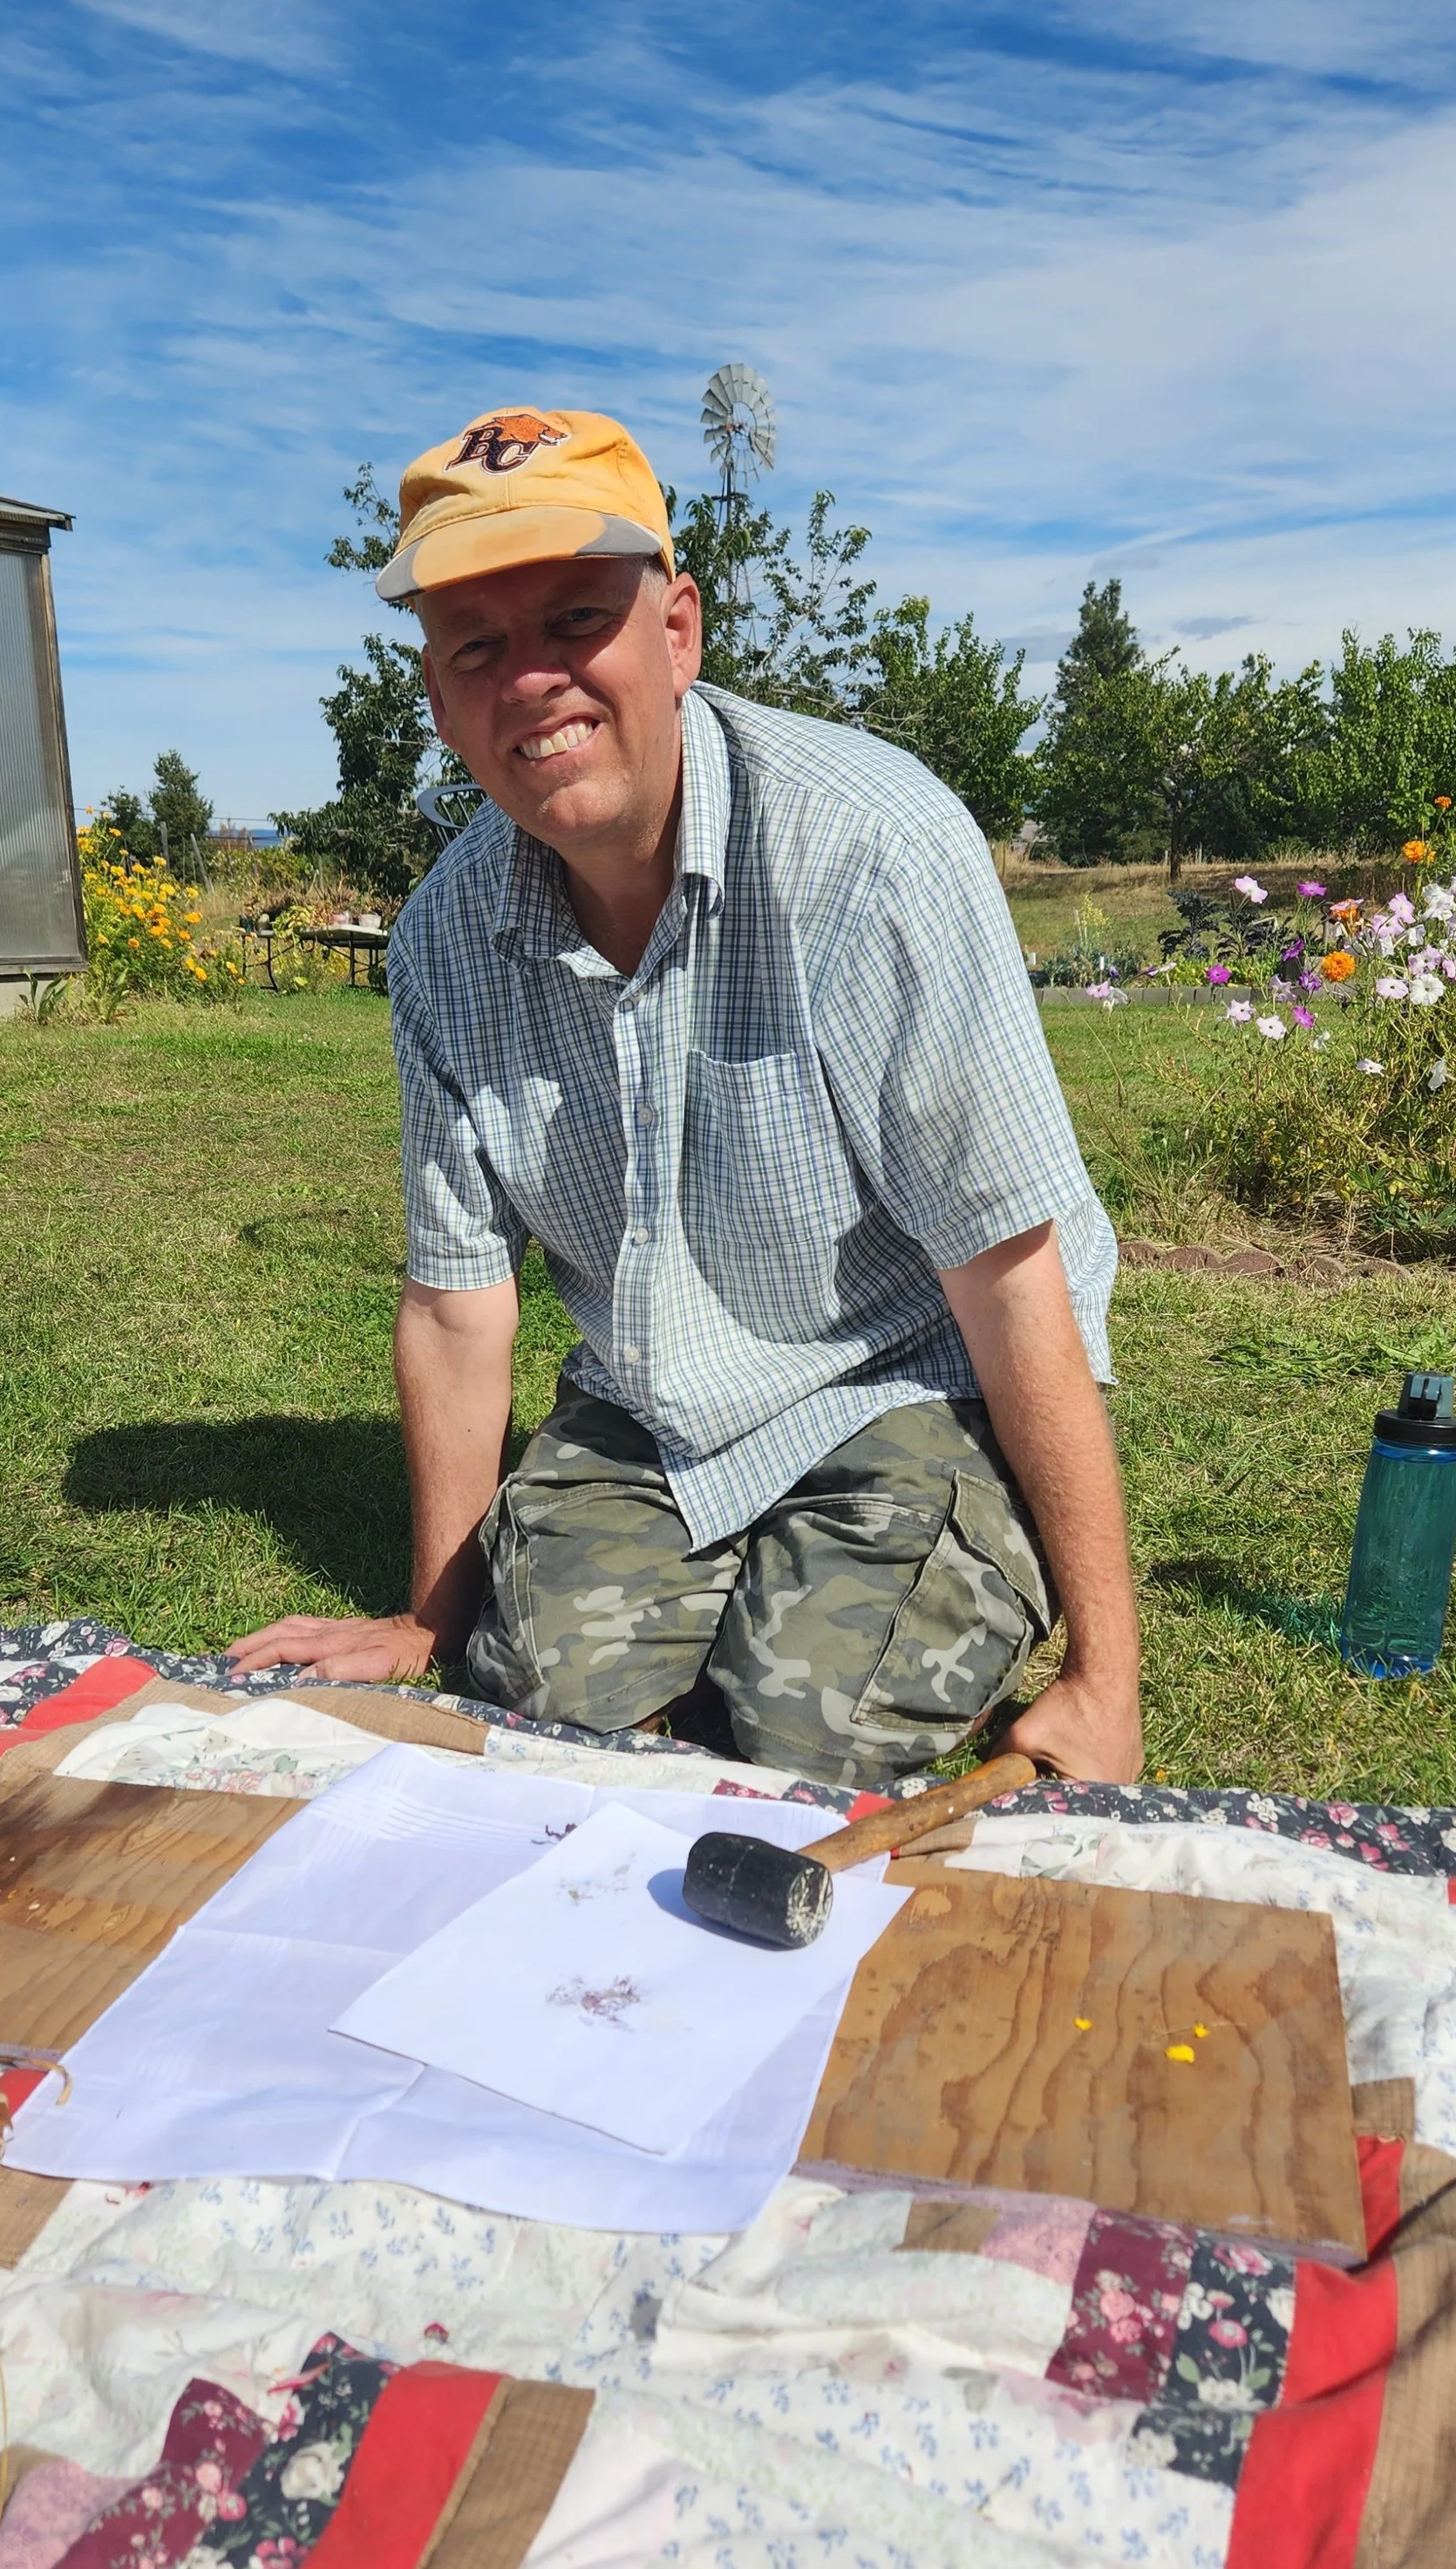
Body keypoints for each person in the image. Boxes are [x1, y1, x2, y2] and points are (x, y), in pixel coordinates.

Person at [230, 406, 1141, 1791]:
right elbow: (457, 1303)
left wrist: (1105, 1679)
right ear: (437, 692)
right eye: (476, 644)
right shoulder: (439, 940)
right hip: (653, 1401)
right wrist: (432, 1615)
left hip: (903, 1366)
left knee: (808, 1726)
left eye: (576, 619)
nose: (531, 679)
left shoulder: (869, 848)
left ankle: (927, 1550)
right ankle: (731, 1581)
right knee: (529, 1687)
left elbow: (1014, 1279)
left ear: (678, 632)